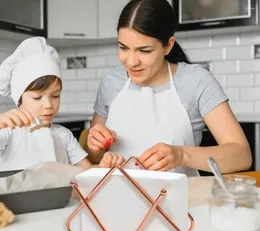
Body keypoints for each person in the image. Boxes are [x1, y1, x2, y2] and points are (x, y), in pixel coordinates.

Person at [84, 0, 252, 176]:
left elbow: (241, 155)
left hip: (180, 200)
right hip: (117, 198)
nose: (131, 62)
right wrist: (96, 146)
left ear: (168, 45)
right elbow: (95, 159)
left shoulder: (195, 81)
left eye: (144, 50)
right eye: (123, 48)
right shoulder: (111, 81)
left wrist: (181, 155)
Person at [0, 37, 124, 171]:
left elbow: (86, 173)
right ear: (19, 100)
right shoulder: (8, 133)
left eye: (55, 96)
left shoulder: (64, 136)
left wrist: (105, 167)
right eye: (37, 97)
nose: (48, 104)